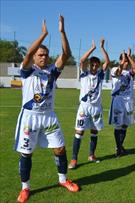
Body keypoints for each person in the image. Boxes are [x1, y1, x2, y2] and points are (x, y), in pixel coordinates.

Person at [14, 16, 79, 203]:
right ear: (35, 56)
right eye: (40, 54)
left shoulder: (51, 71)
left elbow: (66, 54)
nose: (43, 57)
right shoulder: (27, 70)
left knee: (59, 149)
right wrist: (43, 34)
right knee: (26, 153)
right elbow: (27, 55)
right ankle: (25, 188)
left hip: (49, 116)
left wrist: (62, 31)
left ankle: (63, 180)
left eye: (45, 55)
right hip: (30, 118)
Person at [68, 38, 110, 169]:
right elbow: (81, 60)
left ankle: (91, 155)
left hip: (96, 108)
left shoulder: (100, 75)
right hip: (84, 108)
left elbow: (107, 62)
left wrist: (102, 47)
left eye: (96, 65)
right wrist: (92, 48)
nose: (94, 67)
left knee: (94, 131)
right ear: (89, 65)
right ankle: (74, 159)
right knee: (79, 132)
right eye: (92, 64)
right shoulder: (84, 74)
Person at [109, 49, 135, 157]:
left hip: (128, 101)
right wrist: (121, 65)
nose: (126, 63)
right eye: (124, 60)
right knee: (118, 126)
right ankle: (118, 148)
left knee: (125, 125)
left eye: (126, 61)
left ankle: (120, 147)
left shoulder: (129, 72)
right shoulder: (114, 69)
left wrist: (129, 57)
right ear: (120, 60)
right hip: (118, 101)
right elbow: (118, 73)